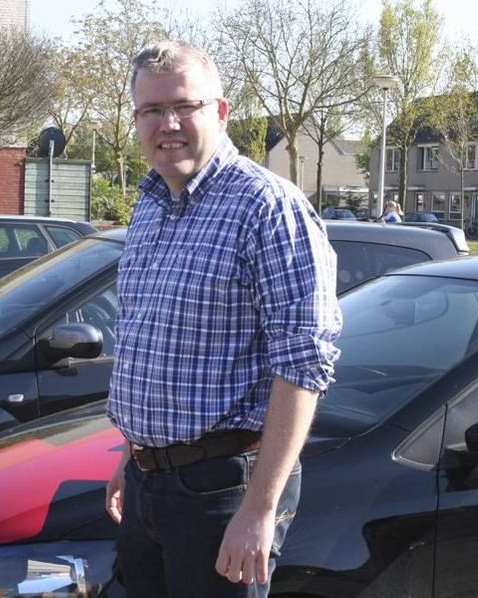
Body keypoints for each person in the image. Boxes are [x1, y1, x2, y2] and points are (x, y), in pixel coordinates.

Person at [104, 39, 342, 598]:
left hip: (222, 491)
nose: (168, 123)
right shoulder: (149, 205)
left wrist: (260, 510)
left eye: (184, 106)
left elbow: (304, 363)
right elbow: (147, 341)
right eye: (150, 110)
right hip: (147, 485)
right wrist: (131, 454)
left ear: (221, 111)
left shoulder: (267, 207)